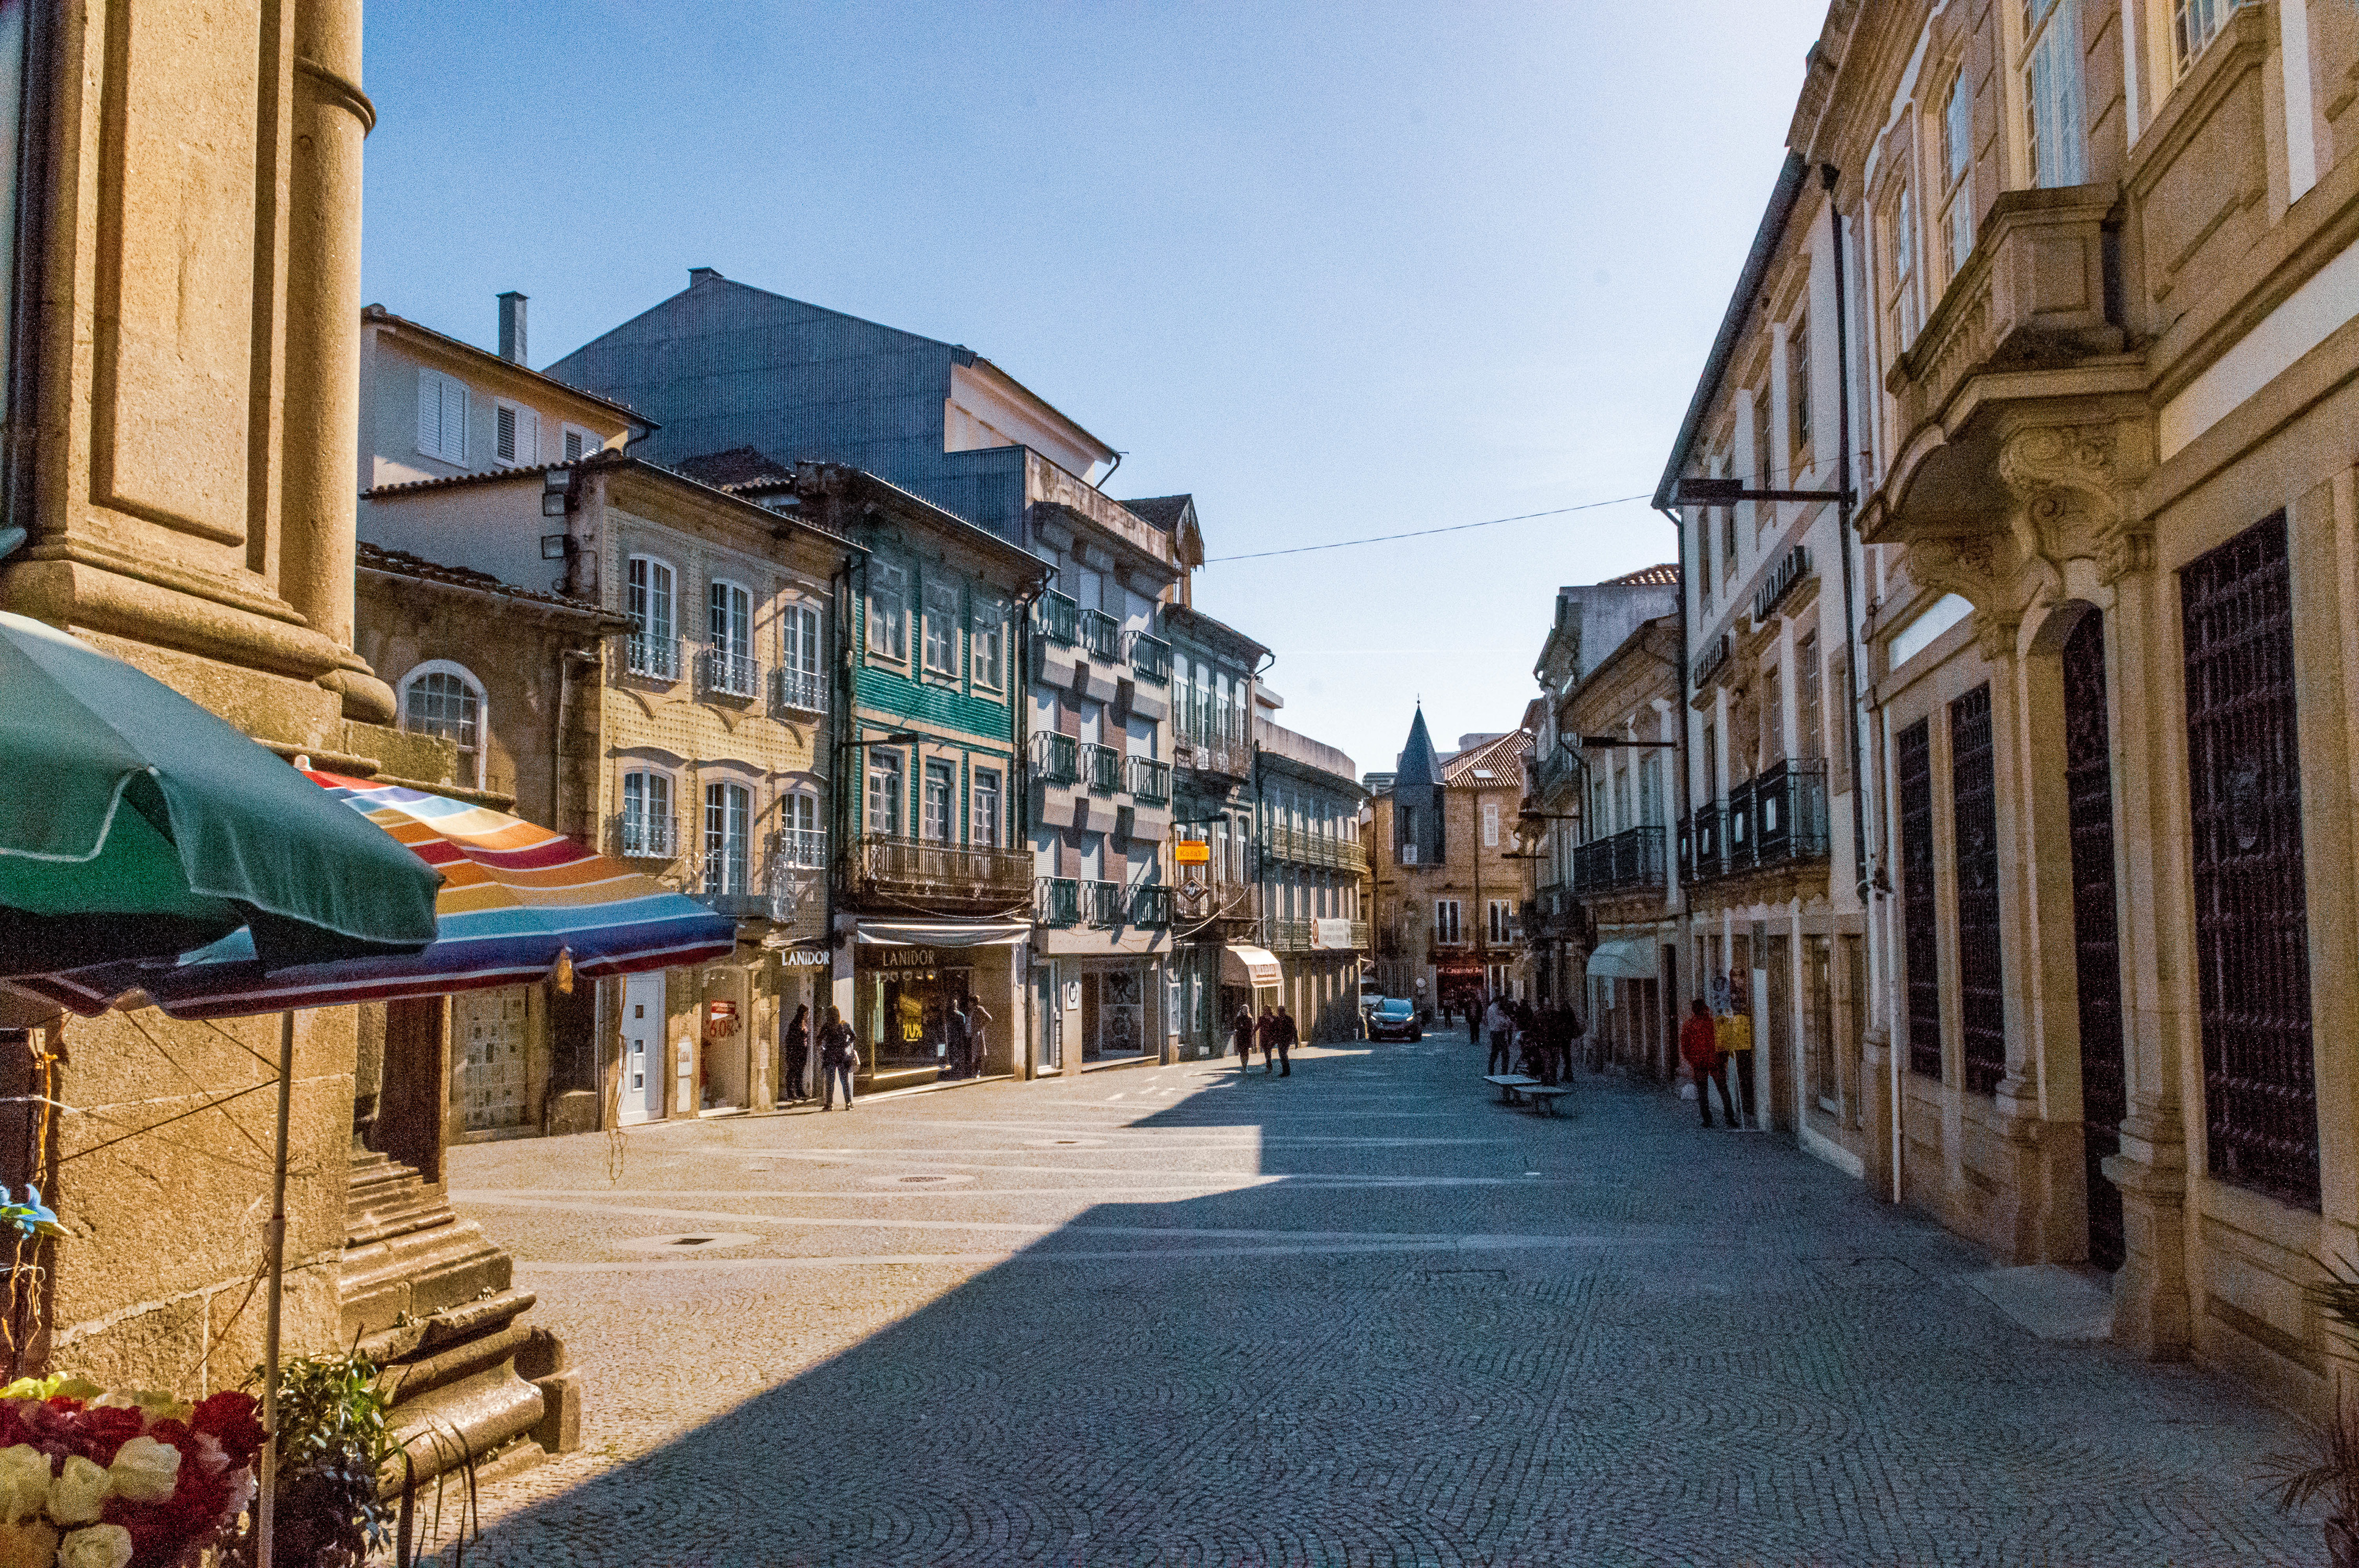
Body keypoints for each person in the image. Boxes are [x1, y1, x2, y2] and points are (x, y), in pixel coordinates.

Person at [1681, 997, 1736, 1128]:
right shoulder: (1713, 1023)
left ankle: (1707, 1119)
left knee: (1702, 1091)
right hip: (1715, 1062)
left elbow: (1685, 1047)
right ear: (1705, 1009)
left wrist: (1693, 1060)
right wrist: (1723, 1059)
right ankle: (1730, 1118)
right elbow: (1722, 1044)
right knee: (1723, 1089)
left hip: (1699, 1063)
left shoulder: (1689, 1025)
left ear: (1693, 1011)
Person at [1716, 1004, 1755, 1127]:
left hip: (1717, 1059)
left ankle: (1729, 1116)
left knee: (1722, 1088)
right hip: (1723, 1058)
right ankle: (1731, 1116)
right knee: (1725, 1088)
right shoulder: (1722, 1022)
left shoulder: (1720, 1022)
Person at [818, 1006, 858, 1111]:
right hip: (842, 1056)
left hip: (830, 1056)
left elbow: (819, 1039)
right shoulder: (845, 1025)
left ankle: (829, 1105)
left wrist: (824, 1047)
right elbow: (854, 1036)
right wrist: (847, 1043)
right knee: (844, 1081)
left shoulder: (827, 1026)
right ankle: (848, 1103)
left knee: (830, 1082)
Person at [781, 1004, 810, 1104]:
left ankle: (799, 1091)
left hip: (802, 1051)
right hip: (795, 1051)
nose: (808, 1015)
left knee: (800, 1072)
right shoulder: (795, 1024)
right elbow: (790, 1039)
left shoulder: (804, 1024)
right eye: (807, 1013)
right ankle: (790, 1093)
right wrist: (792, 1051)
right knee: (792, 1071)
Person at [958, 994, 993, 1078]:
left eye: (970, 1002)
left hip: (977, 1034)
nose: (969, 1004)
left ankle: (978, 1070)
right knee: (973, 1052)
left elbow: (989, 1018)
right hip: (971, 1033)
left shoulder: (979, 1009)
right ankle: (973, 1070)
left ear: (973, 1002)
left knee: (978, 1052)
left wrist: (980, 1026)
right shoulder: (971, 1010)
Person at [1484, 994, 1514, 1075]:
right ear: (1498, 1001)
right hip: (1497, 1033)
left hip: (1497, 1033)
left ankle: (1492, 1072)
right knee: (1505, 1053)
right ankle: (1503, 1073)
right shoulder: (1494, 1010)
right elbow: (1501, 1022)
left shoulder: (1496, 1009)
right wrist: (1505, 1020)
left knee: (1495, 1053)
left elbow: (1507, 1021)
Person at [1270, 1005, 1297, 1077]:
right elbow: (1274, 1030)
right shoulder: (1276, 1020)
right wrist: (1273, 1040)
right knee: (1282, 1055)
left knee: (1283, 1054)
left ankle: (1286, 1071)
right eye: (1279, 1011)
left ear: (1284, 1012)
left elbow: (1294, 1030)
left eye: (1281, 1011)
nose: (1280, 1013)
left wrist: (1296, 1040)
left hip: (1287, 1040)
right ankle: (1285, 1070)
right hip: (1280, 1040)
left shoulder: (1289, 1019)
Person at [1231, 1006, 1257, 1076]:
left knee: (1246, 1051)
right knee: (1241, 1051)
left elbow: (1251, 1027)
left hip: (1247, 1037)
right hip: (1240, 1037)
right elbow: (1236, 1027)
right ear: (1241, 1010)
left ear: (1247, 1010)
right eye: (1243, 1010)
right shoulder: (1238, 1018)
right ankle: (1243, 1066)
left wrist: (1249, 1032)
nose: (1244, 1011)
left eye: (1246, 1010)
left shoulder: (1249, 1018)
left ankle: (1246, 1066)